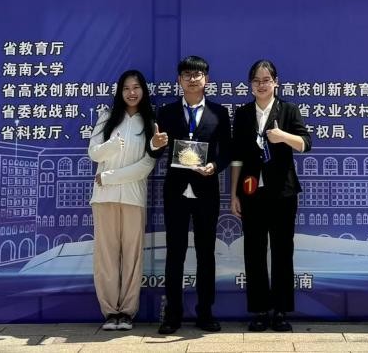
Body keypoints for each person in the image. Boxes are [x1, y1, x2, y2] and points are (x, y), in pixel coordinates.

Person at [147, 56, 232, 334]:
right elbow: (155, 152)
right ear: (179, 80)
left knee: (206, 253)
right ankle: (172, 315)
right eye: (187, 75)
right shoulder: (166, 112)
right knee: (175, 252)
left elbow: (227, 151)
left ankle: (205, 313)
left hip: (207, 190)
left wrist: (215, 166)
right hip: (175, 191)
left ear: (207, 79)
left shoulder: (219, 113)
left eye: (198, 74)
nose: (193, 79)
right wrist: (155, 144)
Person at [229, 59, 312, 332]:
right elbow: (237, 157)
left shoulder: (288, 110)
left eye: (266, 80)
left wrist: (283, 136)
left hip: (282, 194)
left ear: (276, 82)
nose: (261, 85)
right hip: (251, 192)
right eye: (256, 80)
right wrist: (234, 194)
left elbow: (306, 144)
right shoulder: (243, 114)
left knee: (282, 251)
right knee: (253, 252)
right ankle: (260, 310)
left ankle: (280, 311)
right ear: (250, 85)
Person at [87, 70, 158, 331]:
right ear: (120, 92)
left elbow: (146, 165)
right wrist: (112, 146)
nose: (131, 92)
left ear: (143, 91)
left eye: (136, 87)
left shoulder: (150, 121)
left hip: (132, 197)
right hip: (103, 198)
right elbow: (93, 153)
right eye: (126, 88)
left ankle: (127, 312)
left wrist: (109, 177)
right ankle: (110, 312)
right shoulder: (107, 117)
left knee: (132, 256)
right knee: (106, 256)